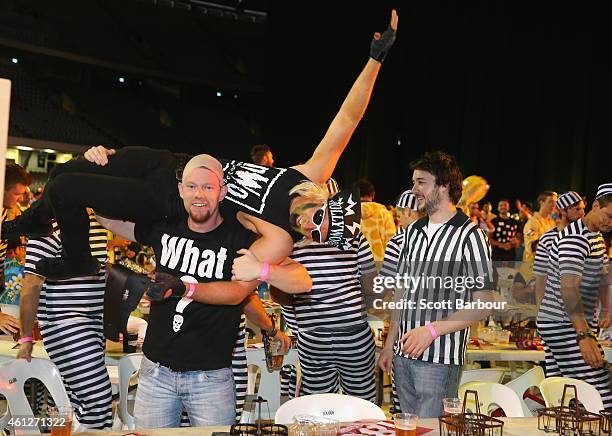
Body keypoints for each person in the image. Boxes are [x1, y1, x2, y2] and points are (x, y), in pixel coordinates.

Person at [2, 10, 399, 281]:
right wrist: (375, 61)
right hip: (167, 162)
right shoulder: (309, 175)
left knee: (63, 189)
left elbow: (235, 266)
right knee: (61, 172)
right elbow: (348, 121)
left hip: (167, 198)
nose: (310, 226)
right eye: (321, 218)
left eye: (318, 234)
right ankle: (24, 226)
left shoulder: (279, 240)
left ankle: (78, 261)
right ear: (323, 201)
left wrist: (176, 256)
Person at [97, 154, 311, 427]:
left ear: (223, 192)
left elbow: (302, 280)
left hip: (210, 378)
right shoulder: (164, 227)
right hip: (155, 373)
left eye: (208, 187)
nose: (199, 195)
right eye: (191, 187)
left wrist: (259, 259)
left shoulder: (239, 238)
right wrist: (100, 162)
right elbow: (107, 219)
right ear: (180, 190)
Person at [377, 151, 494, 418]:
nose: (414, 189)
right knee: (408, 429)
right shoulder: (412, 234)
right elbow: (401, 293)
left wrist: (431, 330)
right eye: (413, 182)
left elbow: (484, 304)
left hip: (439, 360)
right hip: (402, 355)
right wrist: (389, 344)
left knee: (431, 430)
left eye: (421, 182)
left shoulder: (470, 236)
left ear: (443, 185)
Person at [17, 210, 113, 430]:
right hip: (65, 321)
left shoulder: (96, 220)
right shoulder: (49, 223)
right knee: (97, 400)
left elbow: (97, 267)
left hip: (93, 321)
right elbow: (32, 282)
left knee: (69, 402)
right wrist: (26, 338)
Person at [537, 183, 612, 407]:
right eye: (609, 215)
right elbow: (568, 289)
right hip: (563, 323)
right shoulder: (575, 239)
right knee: (601, 396)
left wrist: (606, 308)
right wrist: (583, 335)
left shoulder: (595, 234)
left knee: (564, 396)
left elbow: (603, 274)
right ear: (596, 206)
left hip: (558, 322)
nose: (611, 222)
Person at [533, 191, 586, 309]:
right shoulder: (547, 239)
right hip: (554, 309)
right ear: (563, 211)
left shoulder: (588, 237)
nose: (582, 213)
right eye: (577, 209)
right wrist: (539, 310)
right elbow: (541, 278)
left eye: (583, 209)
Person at [356, 179, 396, 264]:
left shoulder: (347, 214)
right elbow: (392, 244)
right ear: (373, 194)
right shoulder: (384, 213)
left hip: (352, 269)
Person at [522, 191, 558, 261]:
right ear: (542, 202)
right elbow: (533, 247)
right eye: (551, 202)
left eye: (555, 202)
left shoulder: (552, 222)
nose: (554, 205)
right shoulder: (532, 222)